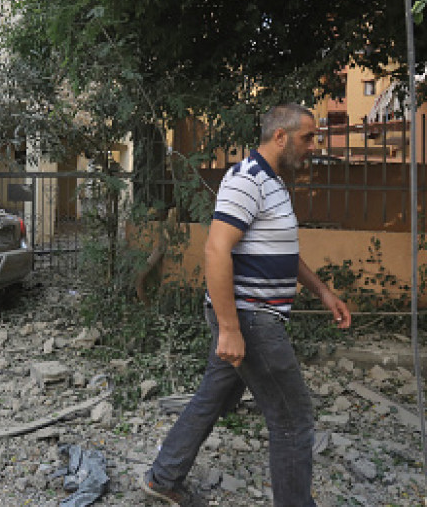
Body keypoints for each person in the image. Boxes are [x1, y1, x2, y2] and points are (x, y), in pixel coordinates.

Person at [141, 103, 352, 507]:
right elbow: (217, 249)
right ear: (280, 136)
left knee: (214, 397)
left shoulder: (273, 182)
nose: (313, 145)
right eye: (307, 137)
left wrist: (322, 291)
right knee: (292, 417)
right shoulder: (246, 179)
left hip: (250, 315)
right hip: (251, 318)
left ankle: (163, 477)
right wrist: (231, 328)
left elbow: (283, 250)